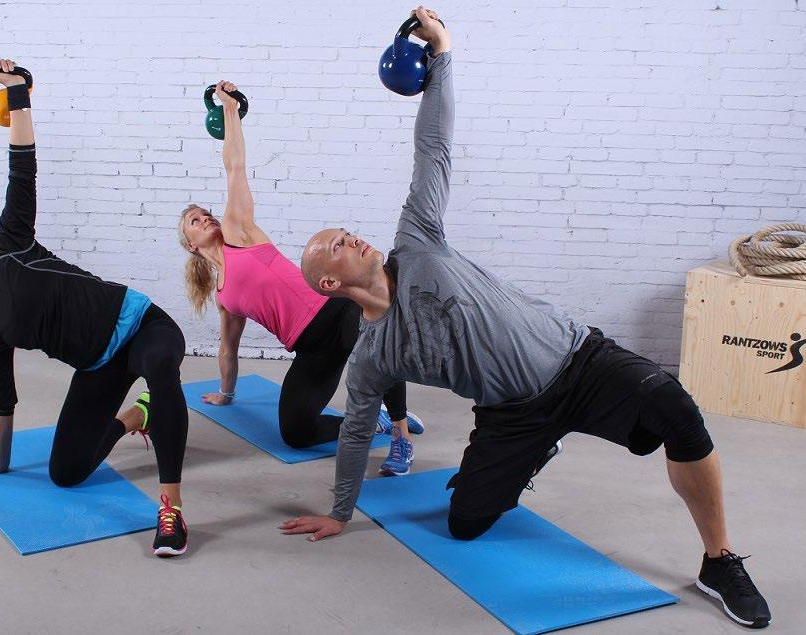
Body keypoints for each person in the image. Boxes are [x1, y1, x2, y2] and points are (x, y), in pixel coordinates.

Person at [285, 8, 771, 629]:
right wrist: (342, 512)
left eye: (348, 232)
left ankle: (719, 559)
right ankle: (537, 450)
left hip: (577, 360)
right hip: (513, 413)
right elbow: (355, 432)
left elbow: (433, 146)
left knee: (676, 408)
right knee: (465, 525)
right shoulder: (373, 356)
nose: (351, 237)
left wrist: (442, 57)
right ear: (330, 284)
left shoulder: (418, 239)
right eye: (336, 244)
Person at [0, 60, 189, 557]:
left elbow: (22, 165)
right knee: (66, 473)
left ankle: (170, 510)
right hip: (100, 364)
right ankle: (136, 416)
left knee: (162, 370)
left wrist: (18, 93)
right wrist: (1, 462)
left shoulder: (11, 245)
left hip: (142, 324)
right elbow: (0, 392)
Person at [179, 82, 423, 475]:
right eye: (194, 220)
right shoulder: (223, 296)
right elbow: (228, 348)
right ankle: (369, 423)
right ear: (190, 245)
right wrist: (226, 393)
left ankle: (400, 436)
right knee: (295, 430)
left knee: (381, 352)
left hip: (335, 311)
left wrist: (229, 109)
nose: (205, 217)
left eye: (205, 212)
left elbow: (235, 167)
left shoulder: (240, 233)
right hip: (310, 348)